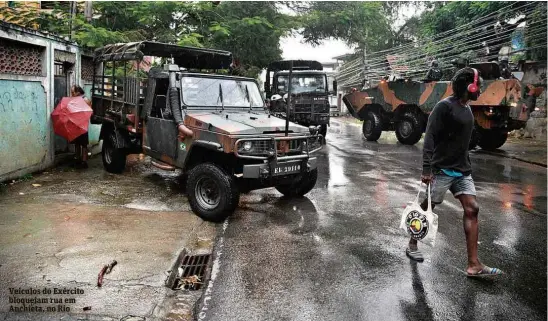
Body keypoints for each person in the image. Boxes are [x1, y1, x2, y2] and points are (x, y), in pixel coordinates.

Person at [406, 68, 503, 278]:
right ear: (470, 86)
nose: (481, 89)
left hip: (462, 171)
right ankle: (412, 242)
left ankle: (473, 265)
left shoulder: (466, 108)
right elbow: (430, 137)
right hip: (441, 170)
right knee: (427, 209)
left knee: (472, 208)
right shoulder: (444, 107)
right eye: (479, 84)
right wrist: (426, 168)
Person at [70, 85, 91, 169]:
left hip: (83, 125)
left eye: (73, 92)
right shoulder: (74, 100)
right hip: (76, 124)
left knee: (84, 144)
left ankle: (84, 161)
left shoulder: (85, 100)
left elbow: (88, 112)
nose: (72, 94)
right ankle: (77, 159)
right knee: (77, 143)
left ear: (78, 92)